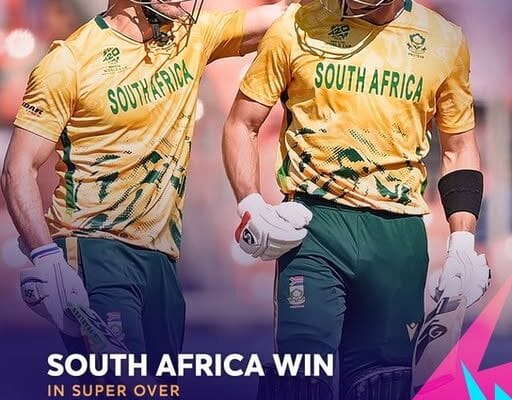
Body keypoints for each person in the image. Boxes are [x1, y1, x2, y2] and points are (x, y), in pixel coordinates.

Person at [1, 0, 306, 379]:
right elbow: (17, 169)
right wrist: (46, 257)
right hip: (95, 249)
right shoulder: (68, 62)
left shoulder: (192, 36)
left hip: (161, 260)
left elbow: (284, 16)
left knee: (160, 386)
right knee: (124, 381)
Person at [222, 0, 491, 398]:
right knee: (300, 378)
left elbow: (459, 148)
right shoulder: (296, 25)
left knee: (381, 384)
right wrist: (251, 204)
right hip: (314, 225)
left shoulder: (444, 41)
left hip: (397, 236)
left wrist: (463, 242)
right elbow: (241, 123)